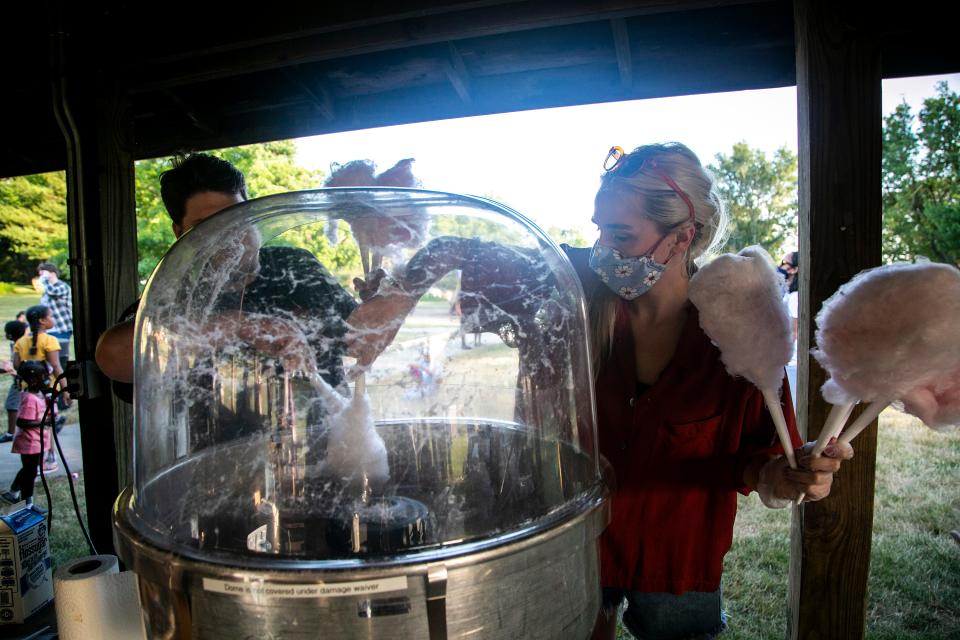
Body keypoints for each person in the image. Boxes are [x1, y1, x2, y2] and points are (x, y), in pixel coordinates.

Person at [346, 143, 853, 639]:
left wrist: (787, 476)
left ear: (683, 237)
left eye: (621, 234)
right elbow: (451, 249)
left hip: (676, 558)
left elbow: (761, 459)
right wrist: (396, 297)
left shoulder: (738, 328)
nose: (602, 249)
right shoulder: (571, 286)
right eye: (599, 229)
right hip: (574, 542)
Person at [95, 153, 357, 407]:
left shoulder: (295, 267)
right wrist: (237, 325)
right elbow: (113, 357)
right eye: (206, 227)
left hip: (326, 442)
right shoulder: (172, 295)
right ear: (180, 233)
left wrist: (391, 289)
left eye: (236, 217)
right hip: (217, 450)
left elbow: (359, 339)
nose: (228, 235)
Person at [14, 305, 68, 472]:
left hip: (27, 391)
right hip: (47, 390)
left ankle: (36, 459)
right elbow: (56, 367)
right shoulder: (50, 341)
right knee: (48, 424)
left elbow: (17, 365)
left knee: (33, 424)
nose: (53, 319)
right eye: (51, 316)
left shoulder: (21, 341)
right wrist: (66, 389)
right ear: (43, 321)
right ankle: (50, 456)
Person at [1, 360, 56, 512]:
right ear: (32, 380)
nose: (46, 379)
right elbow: (22, 422)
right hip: (29, 442)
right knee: (30, 472)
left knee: (29, 470)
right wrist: (43, 422)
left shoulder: (37, 395)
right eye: (43, 376)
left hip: (36, 441)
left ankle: (13, 493)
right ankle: (27, 505)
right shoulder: (30, 399)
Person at [36, 262, 73, 370]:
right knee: (50, 359)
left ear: (51, 273)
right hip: (49, 329)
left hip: (62, 328)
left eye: (43, 273)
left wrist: (45, 281)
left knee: (61, 359)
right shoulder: (47, 289)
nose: (41, 276)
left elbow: (53, 292)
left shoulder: (62, 286)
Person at [1, 319, 28, 444]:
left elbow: (21, 364)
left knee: (11, 405)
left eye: (6, 332)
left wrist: (9, 368)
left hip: (20, 381)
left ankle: (10, 433)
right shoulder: (23, 342)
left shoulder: (19, 344)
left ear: (10, 334)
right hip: (22, 379)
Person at [780, 252, 800, 407]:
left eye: (784, 263)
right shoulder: (790, 294)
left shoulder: (795, 297)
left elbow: (794, 331)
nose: (781, 266)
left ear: (795, 269)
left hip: (792, 361)